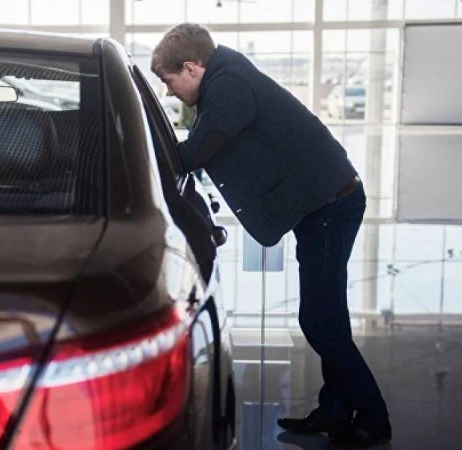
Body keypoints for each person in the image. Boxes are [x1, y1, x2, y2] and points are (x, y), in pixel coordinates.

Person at [151, 23, 391, 449]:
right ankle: (335, 412)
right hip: (322, 202)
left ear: (190, 67)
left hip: (329, 207)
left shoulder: (229, 88)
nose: (168, 92)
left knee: (320, 321)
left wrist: (142, 148)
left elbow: (192, 154)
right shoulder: (226, 78)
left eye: (169, 81)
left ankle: (373, 419)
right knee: (328, 318)